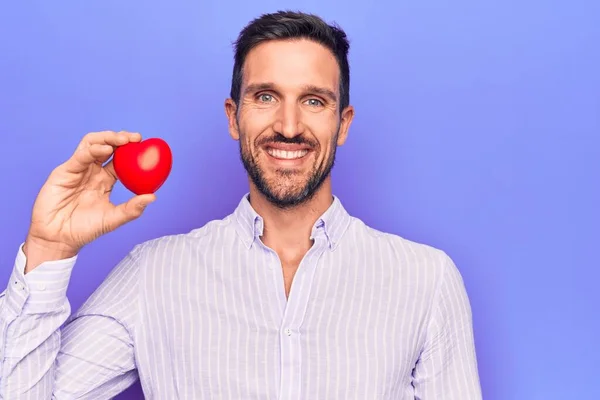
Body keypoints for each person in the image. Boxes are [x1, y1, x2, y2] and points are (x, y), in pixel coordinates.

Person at [0, 10, 482, 400]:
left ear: (344, 123)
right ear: (234, 117)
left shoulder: (427, 280)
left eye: (314, 101)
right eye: (266, 96)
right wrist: (49, 246)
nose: (289, 125)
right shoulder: (154, 275)